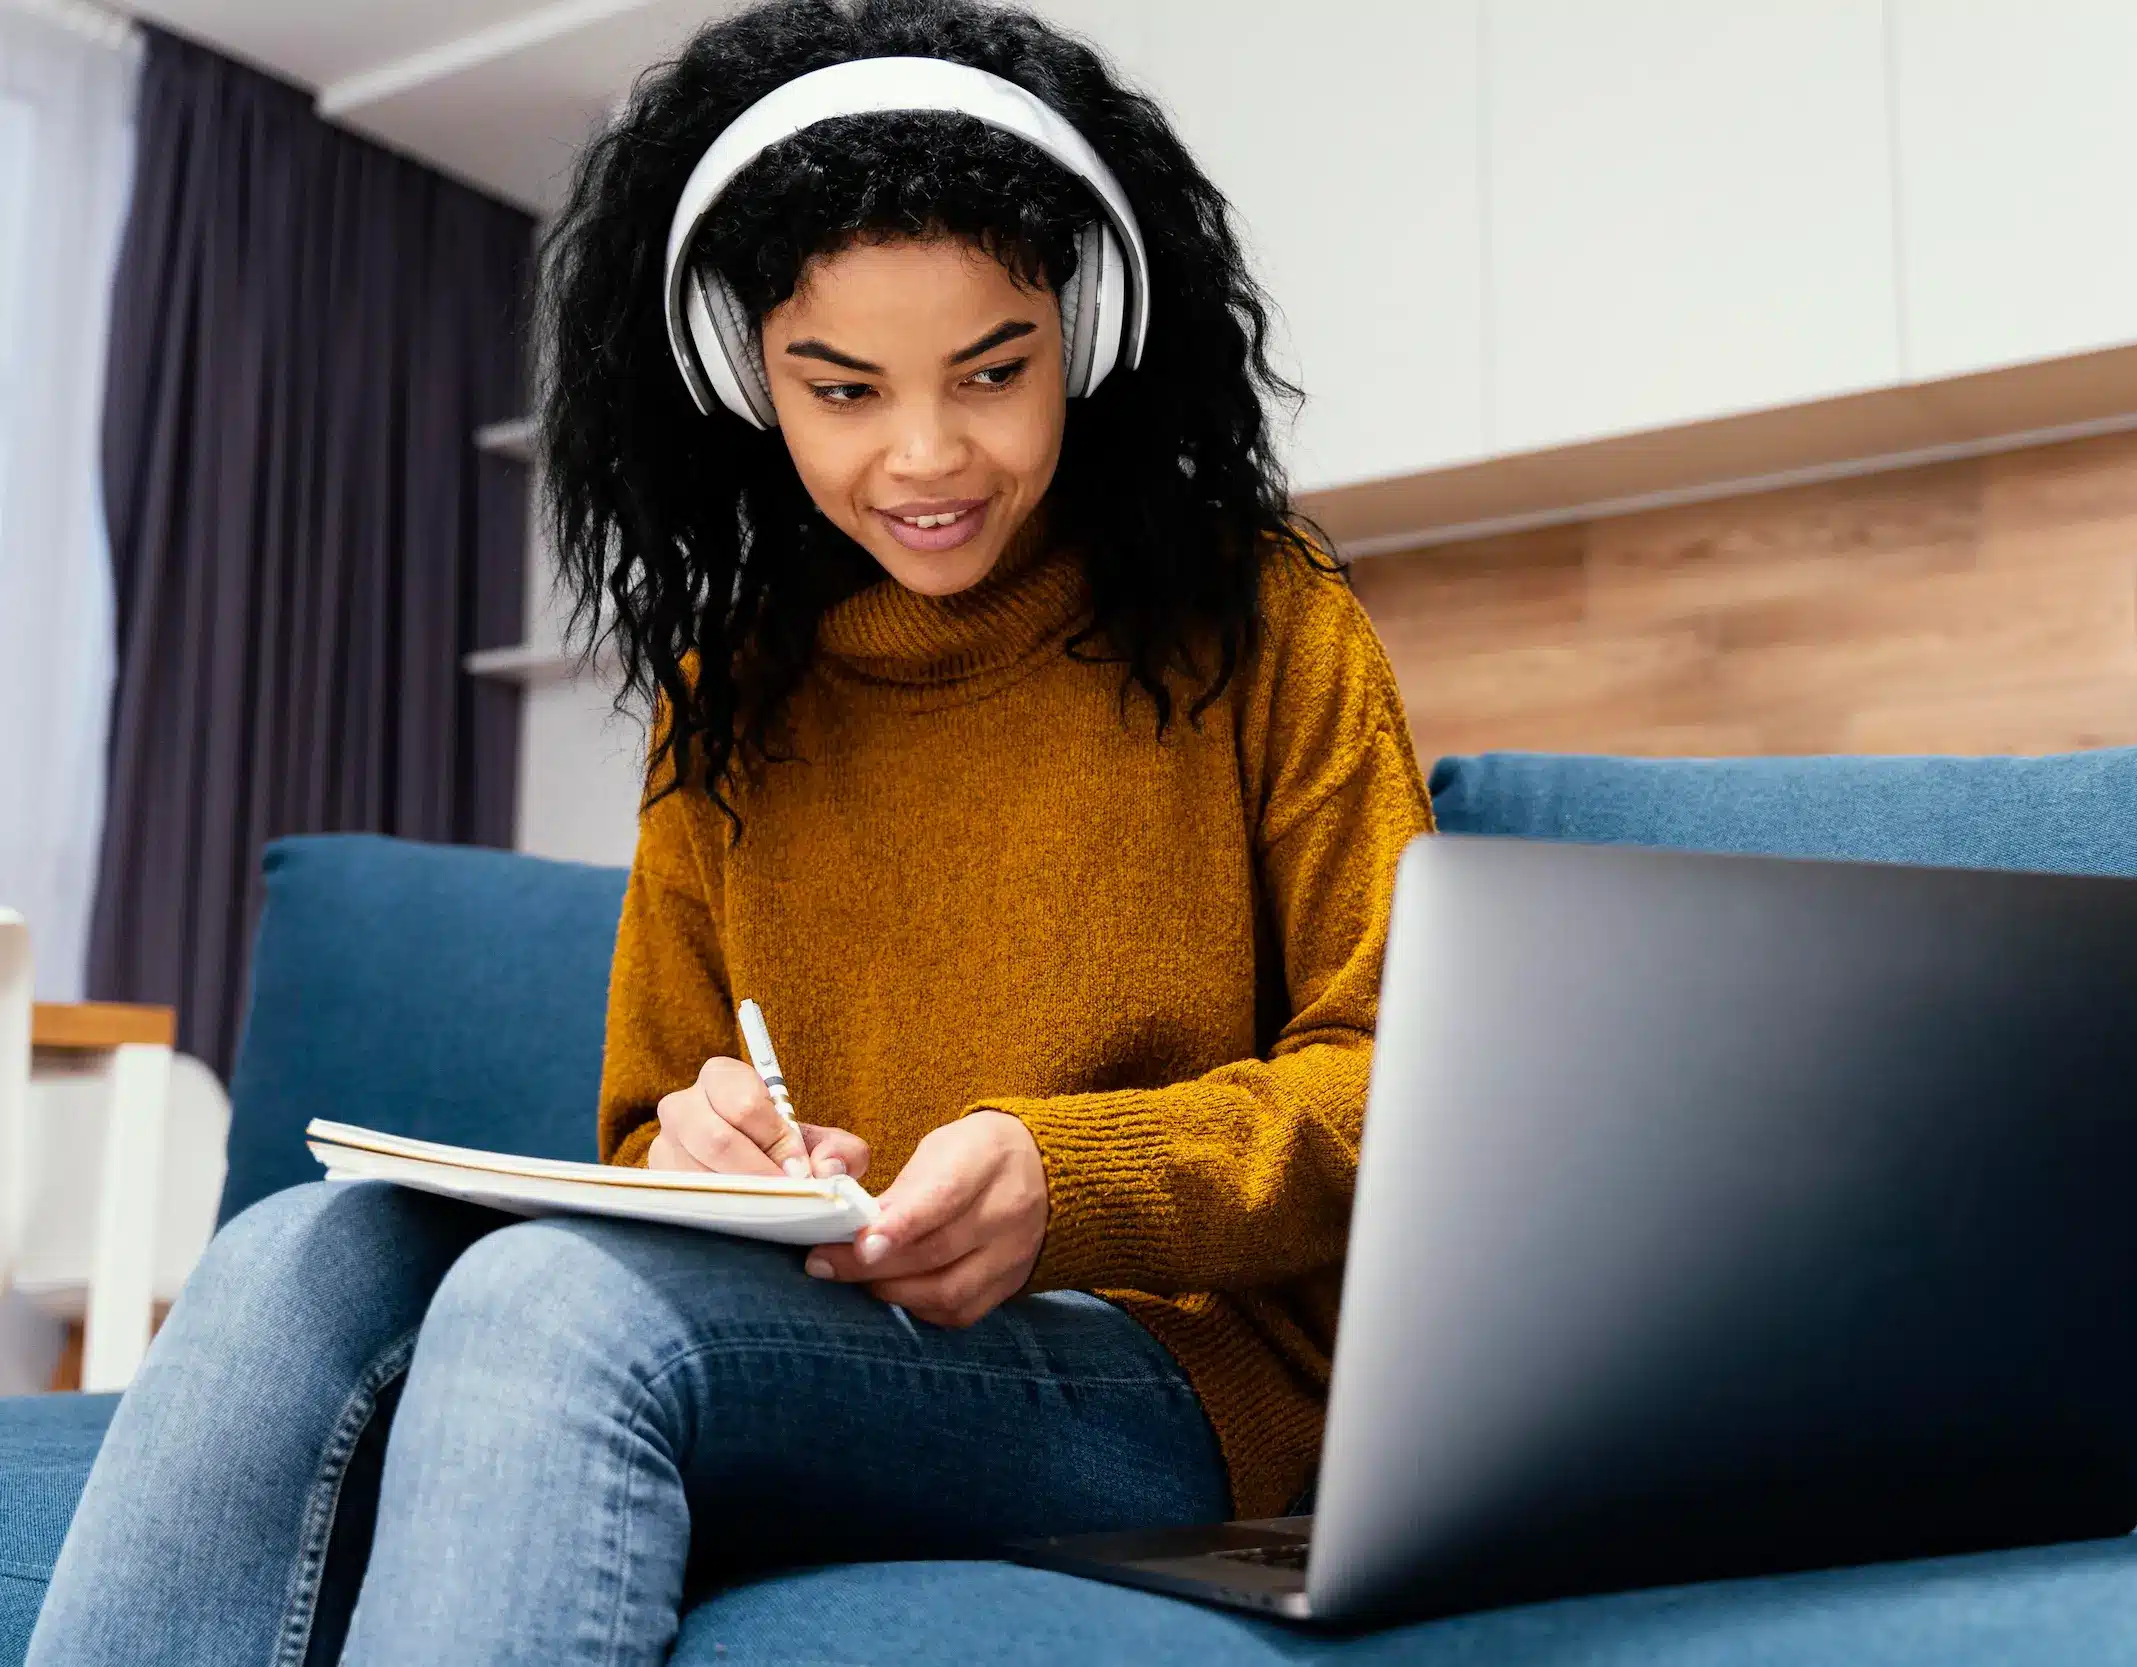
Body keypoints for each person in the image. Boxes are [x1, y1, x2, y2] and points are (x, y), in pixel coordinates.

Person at [28, 0, 1431, 1661]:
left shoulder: (1268, 620)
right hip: (824, 1330)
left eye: (995, 371)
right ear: (743, 376)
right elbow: (642, 1125)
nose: (926, 453)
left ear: (1092, 328)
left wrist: (1066, 1180)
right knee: (289, 1256)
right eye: (843, 389)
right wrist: (697, 1148)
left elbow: (1401, 1087)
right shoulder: (733, 694)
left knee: (551, 1306)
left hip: (1176, 1373)